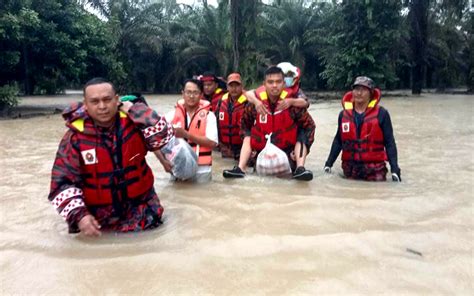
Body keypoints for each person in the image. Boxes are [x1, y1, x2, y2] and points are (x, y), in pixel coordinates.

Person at [48, 78, 174, 236]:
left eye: (107, 100)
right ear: (86, 104)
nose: (102, 106)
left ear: (117, 100)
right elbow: (60, 186)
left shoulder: (135, 124)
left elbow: (165, 136)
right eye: (95, 101)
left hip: (142, 212)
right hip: (99, 221)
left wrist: (134, 109)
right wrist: (80, 216)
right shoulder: (74, 138)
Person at [223, 66, 315, 181]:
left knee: (301, 134)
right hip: (261, 154)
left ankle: (300, 168)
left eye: (278, 82)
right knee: (248, 135)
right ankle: (240, 168)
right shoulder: (255, 105)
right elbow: (244, 124)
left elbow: (309, 126)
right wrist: (252, 150)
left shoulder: (293, 106)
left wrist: (303, 151)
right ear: (264, 84)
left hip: (287, 155)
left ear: (284, 84)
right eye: (270, 82)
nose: (274, 85)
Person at [324, 76, 402, 182]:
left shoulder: (382, 114)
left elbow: (389, 142)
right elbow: (338, 140)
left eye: (363, 90)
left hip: (374, 169)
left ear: (371, 93)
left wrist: (394, 169)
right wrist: (328, 164)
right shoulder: (343, 115)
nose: (359, 93)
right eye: (356, 89)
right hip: (350, 169)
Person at [168, 78, 218, 182]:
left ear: (201, 95)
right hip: (178, 167)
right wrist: (165, 162)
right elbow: (158, 138)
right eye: (188, 92)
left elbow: (212, 143)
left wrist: (186, 134)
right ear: (183, 93)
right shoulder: (172, 115)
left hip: (202, 170)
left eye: (195, 93)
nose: (191, 96)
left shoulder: (209, 116)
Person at [215, 72, 248, 159]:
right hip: (225, 149)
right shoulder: (221, 102)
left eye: (237, 85)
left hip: (242, 148)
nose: (234, 89)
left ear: (242, 86)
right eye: (231, 86)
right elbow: (216, 124)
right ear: (227, 87)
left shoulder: (248, 102)